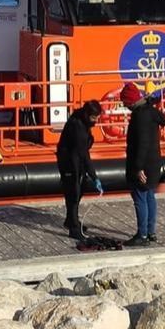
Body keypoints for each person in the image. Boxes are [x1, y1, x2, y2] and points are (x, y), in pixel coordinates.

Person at [122, 82, 165, 247]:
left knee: (140, 198)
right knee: (149, 196)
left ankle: (142, 234)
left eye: (125, 103)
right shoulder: (151, 112)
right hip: (155, 161)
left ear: (131, 101)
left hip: (144, 164)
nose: (125, 106)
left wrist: (138, 167)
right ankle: (151, 231)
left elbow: (142, 143)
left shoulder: (140, 117)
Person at [57, 100, 104, 241]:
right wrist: (94, 176)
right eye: (93, 118)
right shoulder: (76, 126)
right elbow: (83, 153)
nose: (95, 121)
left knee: (80, 189)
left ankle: (71, 219)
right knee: (73, 192)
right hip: (69, 162)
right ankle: (74, 228)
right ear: (86, 114)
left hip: (76, 159)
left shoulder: (83, 123)